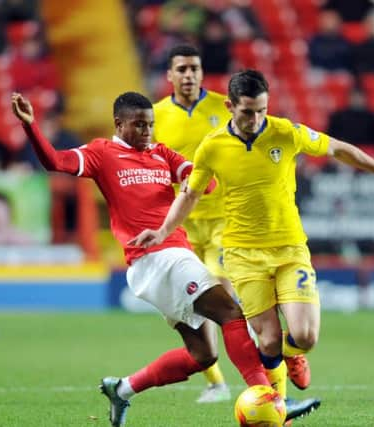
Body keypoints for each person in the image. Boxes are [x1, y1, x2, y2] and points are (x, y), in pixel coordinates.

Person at [11, 91, 318, 426]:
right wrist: (30, 127)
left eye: (151, 125)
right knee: (230, 311)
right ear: (119, 124)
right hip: (154, 257)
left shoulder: (161, 153)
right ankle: (272, 399)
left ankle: (123, 388)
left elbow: (207, 182)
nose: (147, 132)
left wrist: (192, 178)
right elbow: (55, 162)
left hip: (172, 256)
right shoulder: (102, 152)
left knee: (204, 355)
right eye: (139, 125)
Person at [131, 70, 374, 408]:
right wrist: (164, 230)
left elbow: (337, 148)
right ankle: (275, 406)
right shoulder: (212, 146)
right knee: (267, 343)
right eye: (247, 111)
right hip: (242, 254)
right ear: (229, 106)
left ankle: (293, 355)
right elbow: (190, 195)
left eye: (262, 110)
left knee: (306, 337)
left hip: (289, 249)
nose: (256, 119)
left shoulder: (286, 132)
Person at [153, 44, 233, 403]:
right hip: (180, 226)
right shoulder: (154, 116)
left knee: (221, 291)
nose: (188, 75)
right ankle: (216, 381)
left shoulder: (224, 108)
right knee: (186, 307)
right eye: (181, 69)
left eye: (194, 68)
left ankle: (262, 375)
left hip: (223, 220)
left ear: (202, 72)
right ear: (169, 75)